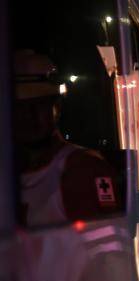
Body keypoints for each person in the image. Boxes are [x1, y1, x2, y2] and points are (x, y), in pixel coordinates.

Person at [13, 49, 122, 227]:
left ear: (57, 107)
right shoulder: (10, 175)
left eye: (38, 106)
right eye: (19, 108)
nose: (28, 116)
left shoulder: (83, 169)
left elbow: (108, 243)